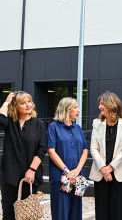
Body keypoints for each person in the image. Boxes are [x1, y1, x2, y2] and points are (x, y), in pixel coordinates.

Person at [0, 91, 47, 220]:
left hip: (30, 175)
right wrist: (6, 102)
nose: (28, 105)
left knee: (27, 215)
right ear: (15, 107)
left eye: (29, 101)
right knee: (8, 212)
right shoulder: (9, 123)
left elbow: (42, 149)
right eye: (23, 103)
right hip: (9, 175)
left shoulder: (38, 124)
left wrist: (32, 170)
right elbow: (0, 119)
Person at [89, 92, 122, 220]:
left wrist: (111, 167)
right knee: (101, 210)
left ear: (111, 104)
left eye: (102, 104)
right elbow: (93, 148)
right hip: (100, 172)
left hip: (119, 172)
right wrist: (103, 168)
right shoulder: (97, 123)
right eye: (99, 104)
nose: (99, 107)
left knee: (120, 211)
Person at [47, 97, 88, 220]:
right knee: (60, 214)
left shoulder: (78, 128)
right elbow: (51, 151)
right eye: (75, 107)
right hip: (60, 177)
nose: (78, 110)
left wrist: (77, 170)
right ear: (66, 109)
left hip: (78, 178)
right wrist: (67, 171)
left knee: (76, 213)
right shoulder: (53, 127)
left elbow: (85, 151)